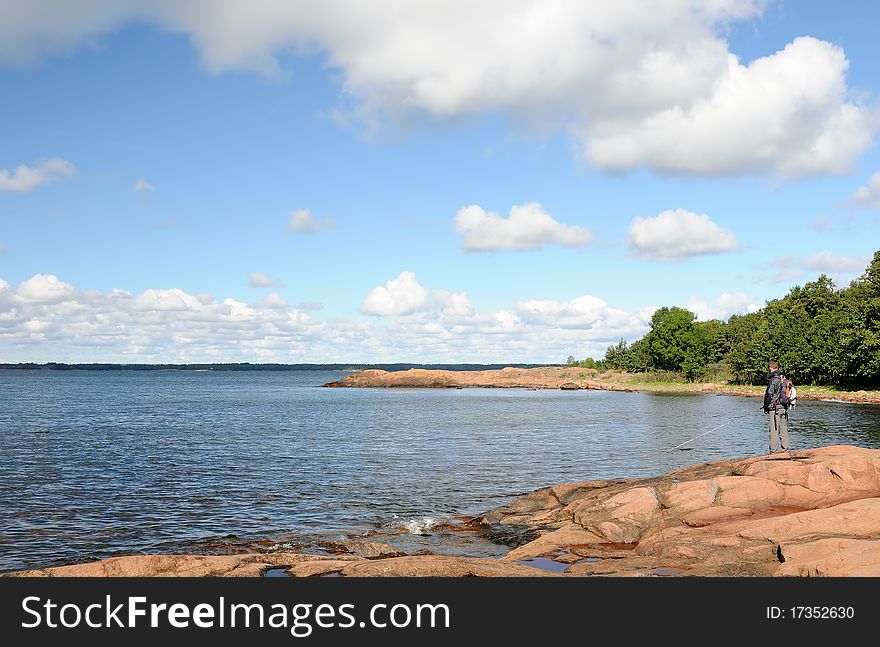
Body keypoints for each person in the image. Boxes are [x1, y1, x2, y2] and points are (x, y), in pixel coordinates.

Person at [763, 361, 789, 454]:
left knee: (774, 429)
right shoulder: (783, 379)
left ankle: (773, 451)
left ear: (770, 368)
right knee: (783, 429)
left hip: (774, 408)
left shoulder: (773, 379)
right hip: (783, 408)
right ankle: (785, 449)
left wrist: (766, 406)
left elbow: (769, 394)